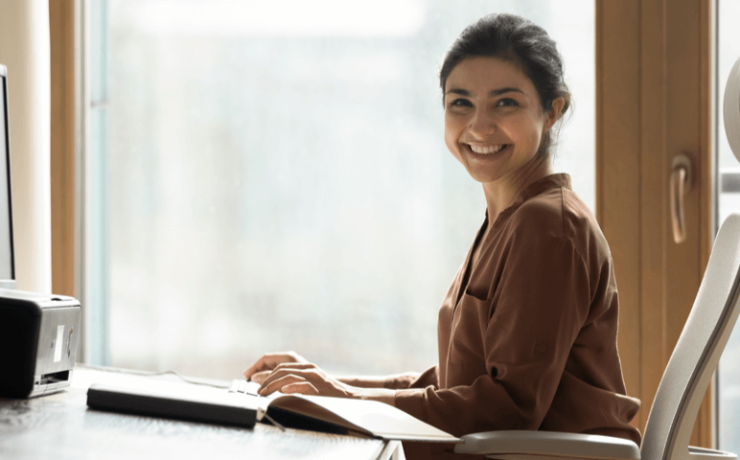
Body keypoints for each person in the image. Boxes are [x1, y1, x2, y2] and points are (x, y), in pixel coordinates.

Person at [243, 13, 641, 460]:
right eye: (461, 103)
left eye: (505, 103)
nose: (479, 126)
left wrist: (344, 400)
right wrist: (329, 387)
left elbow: (507, 407)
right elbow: (458, 383)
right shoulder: (508, 219)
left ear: (553, 111)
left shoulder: (549, 229)